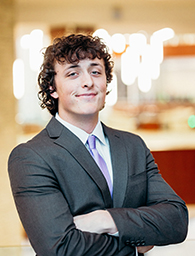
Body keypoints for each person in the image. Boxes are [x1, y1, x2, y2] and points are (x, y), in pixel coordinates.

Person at [8, 34, 188, 256]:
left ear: (106, 81)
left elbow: (176, 220)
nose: (88, 82)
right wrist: (131, 247)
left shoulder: (133, 146)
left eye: (95, 72)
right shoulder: (31, 156)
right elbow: (58, 248)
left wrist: (105, 220)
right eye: (73, 73)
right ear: (52, 88)